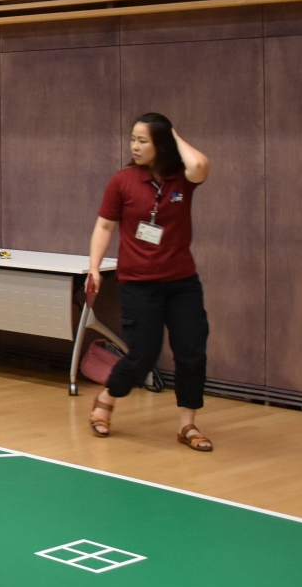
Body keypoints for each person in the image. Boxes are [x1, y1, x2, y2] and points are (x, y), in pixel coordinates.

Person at [87, 113, 214, 452]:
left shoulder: (182, 180)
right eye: (133, 139)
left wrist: (172, 133)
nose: (135, 146)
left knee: (191, 352)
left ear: (163, 144)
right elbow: (104, 227)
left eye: (144, 140)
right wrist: (95, 267)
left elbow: (200, 163)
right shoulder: (123, 181)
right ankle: (107, 397)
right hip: (138, 283)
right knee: (143, 354)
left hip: (182, 283)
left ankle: (188, 425)